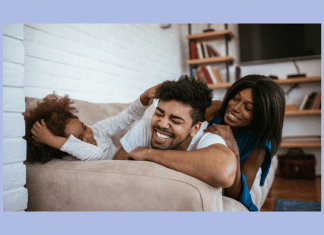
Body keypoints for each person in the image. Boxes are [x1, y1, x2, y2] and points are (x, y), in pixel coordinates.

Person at [113, 75, 237, 188]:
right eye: (159, 114)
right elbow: (112, 171)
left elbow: (224, 171)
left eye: (175, 121)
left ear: (195, 129)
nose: (162, 124)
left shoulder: (206, 138)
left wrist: (148, 153)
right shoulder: (145, 127)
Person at [203, 74, 286, 211]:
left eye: (248, 108)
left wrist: (234, 150)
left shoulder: (260, 146)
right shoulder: (217, 109)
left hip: (243, 164)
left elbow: (236, 195)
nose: (235, 107)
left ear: (260, 116)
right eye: (235, 98)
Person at [24, 83, 161, 163]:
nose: (88, 136)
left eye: (84, 128)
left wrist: (144, 97)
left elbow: (126, 117)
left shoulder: (97, 130)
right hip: (118, 168)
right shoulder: (71, 156)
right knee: (144, 125)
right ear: (65, 146)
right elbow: (94, 154)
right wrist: (51, 139)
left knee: (146, 124)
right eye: (79, 139)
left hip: (128, 157)